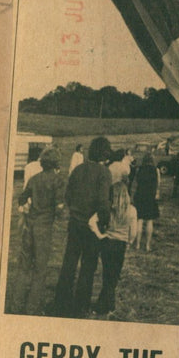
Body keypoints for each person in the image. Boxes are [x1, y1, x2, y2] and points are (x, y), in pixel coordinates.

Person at [53, 136, 112, 317]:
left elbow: (68, 196)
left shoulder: (78, 170)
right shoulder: (104, 173)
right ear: (105, 153)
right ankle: (80, 306)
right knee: (88, 265)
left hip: (75, 223)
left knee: (69, 262)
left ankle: (61, 302)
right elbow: (103, 201)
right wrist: (104, 220)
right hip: (91, 225)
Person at [12, 147, 65, 315]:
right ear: (56, 163)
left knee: (24, 267)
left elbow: (21, 198)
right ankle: (32, 308)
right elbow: (59, 207)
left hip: (30, 225)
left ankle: (16, 304)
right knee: (40, 269)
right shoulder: (58, 181)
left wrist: (26, 210)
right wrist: (59, 214)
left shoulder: (34, 179)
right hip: (44, 227)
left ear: (42, 162)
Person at [88, 178, 137, 315]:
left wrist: (100, 235)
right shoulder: (132, 210)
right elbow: (133, 232)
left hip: (107, 243)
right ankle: (105, 306)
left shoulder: (108, 209)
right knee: (114, 276)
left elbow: (92, 222)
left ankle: (107, 304)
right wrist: (129, 242)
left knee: (107, 275)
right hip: (120, 245)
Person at [133, 151, 160, 251]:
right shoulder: (156, 170)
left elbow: (136, 183)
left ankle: (137, 244)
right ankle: (147, 245)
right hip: (150, 196)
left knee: (139, 220)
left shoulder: (139, 169)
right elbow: (158, 184)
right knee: (149, 221)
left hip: (140, 195)